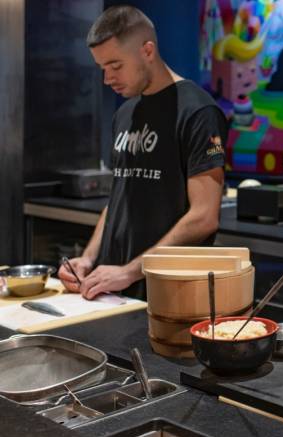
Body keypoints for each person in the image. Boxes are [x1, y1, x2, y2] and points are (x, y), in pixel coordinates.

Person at [58, 6, 228, 300]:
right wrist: (88, 259)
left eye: (115, 65)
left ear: (147, 51)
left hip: (165, 291)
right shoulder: (124, 113)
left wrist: (130, 271)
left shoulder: (198, 111)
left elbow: (204, 217)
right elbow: (118, 199)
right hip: (112, 285)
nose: (107, 79)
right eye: (102, 68)